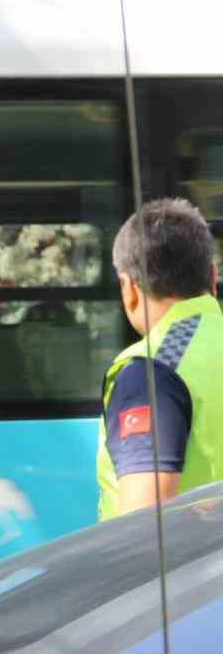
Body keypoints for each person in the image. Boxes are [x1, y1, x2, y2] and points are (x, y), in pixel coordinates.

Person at [97, 197, 223, 518]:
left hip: (188, 568)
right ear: (212, 277)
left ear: (129, 288)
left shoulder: (154, 368)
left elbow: (145, 530)